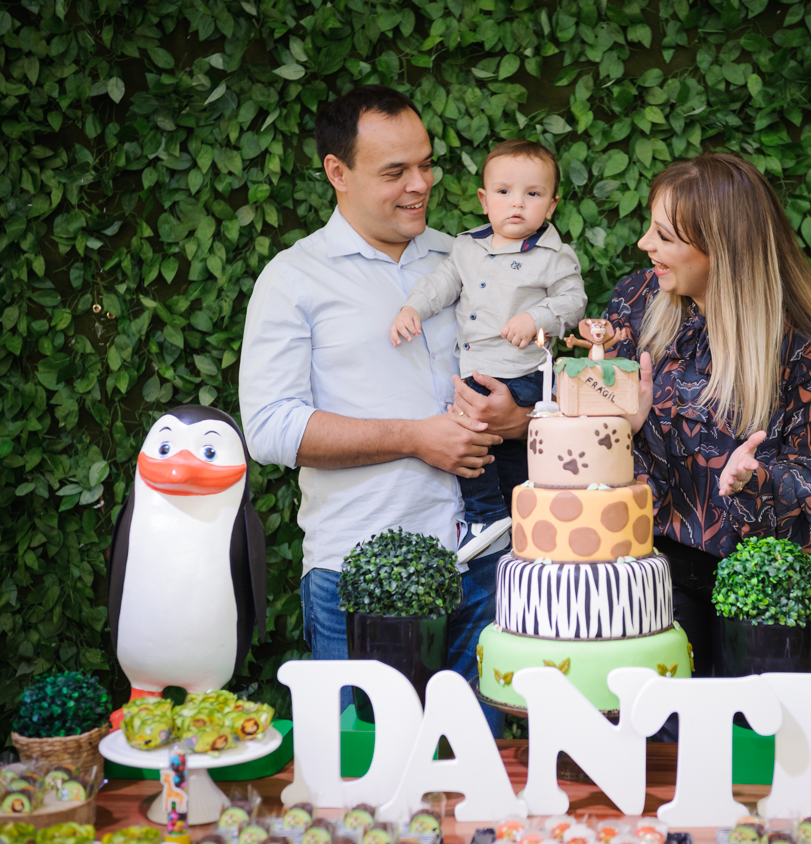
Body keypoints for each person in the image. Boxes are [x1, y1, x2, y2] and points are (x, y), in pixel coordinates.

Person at [238, 85, 529, 734]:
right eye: (395, 172)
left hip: (480, 564)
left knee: (475, 777)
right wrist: (412, 436)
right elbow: (269, 427)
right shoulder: (293, 279)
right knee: (365, 787)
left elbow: (520, 392)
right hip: (355, 578)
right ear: (337, 173)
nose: (419, 184)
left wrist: (515, 415)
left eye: (426, 164)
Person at [606, 152, 811, 678]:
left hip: (759, 584)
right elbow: (584, 444)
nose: (644, 245)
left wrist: (755, 476)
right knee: (664, 744)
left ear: (719, 249)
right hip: (651, 573)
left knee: (754, 742)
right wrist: (618, 430)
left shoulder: (799, 347)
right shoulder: (635, 301)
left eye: (663, 235)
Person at [391, 139, 587, 562]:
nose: (517, 204)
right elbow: (440, 285)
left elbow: (573, 302)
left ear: (551, 207)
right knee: (504, 451)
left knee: (466, 431)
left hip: (525, 372)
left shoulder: (554, 256)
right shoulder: (466, 248)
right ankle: (519, 517)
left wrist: (537, 317)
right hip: (479, 370)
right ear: (484, 200)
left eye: (532, 195)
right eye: (504, 192)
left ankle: (484, 515)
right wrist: (412, 309)